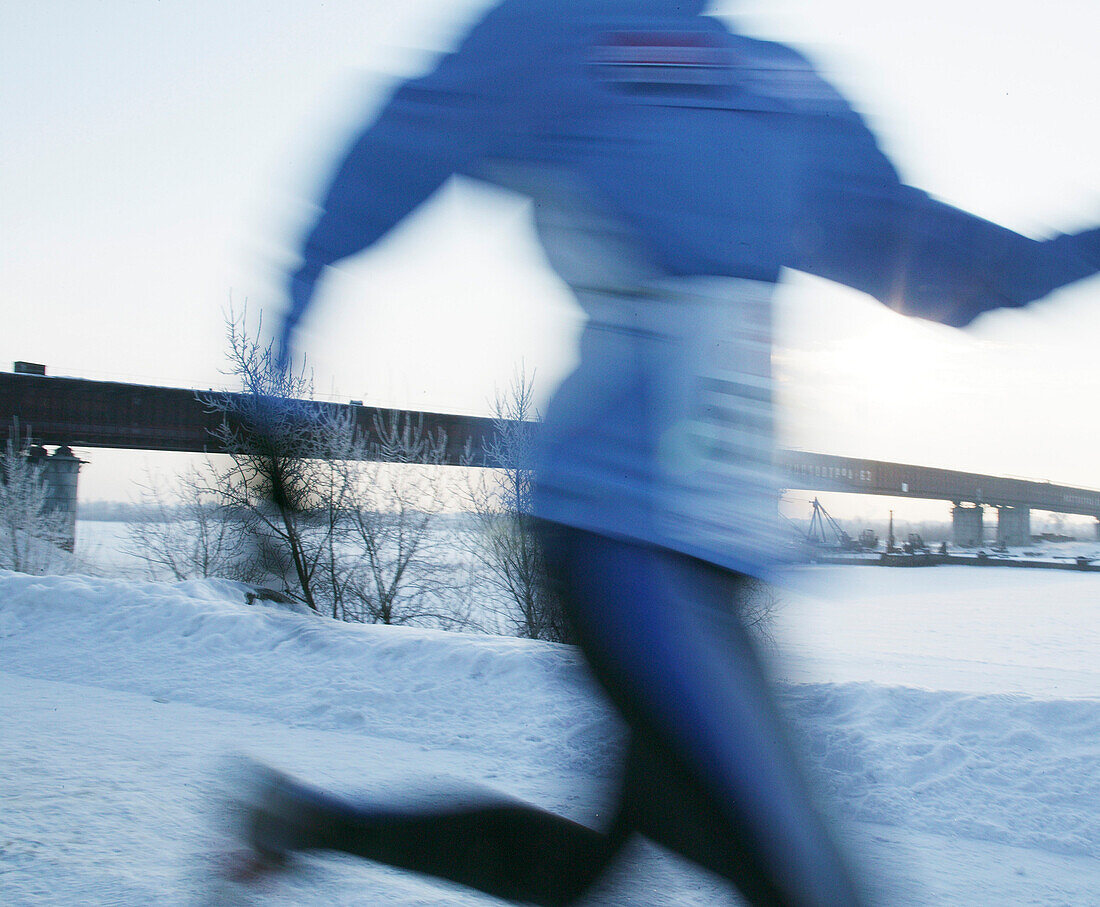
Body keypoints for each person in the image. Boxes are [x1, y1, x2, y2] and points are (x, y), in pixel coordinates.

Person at [240, 1, 1099, 904]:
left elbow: (959, 273)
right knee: (814, 882)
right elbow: (382, 161)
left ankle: (301, 822)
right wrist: (277, 382)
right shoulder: (560, 34)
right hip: (620, 536)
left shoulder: (788, 84)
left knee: (588, 865)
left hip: (722, 549)